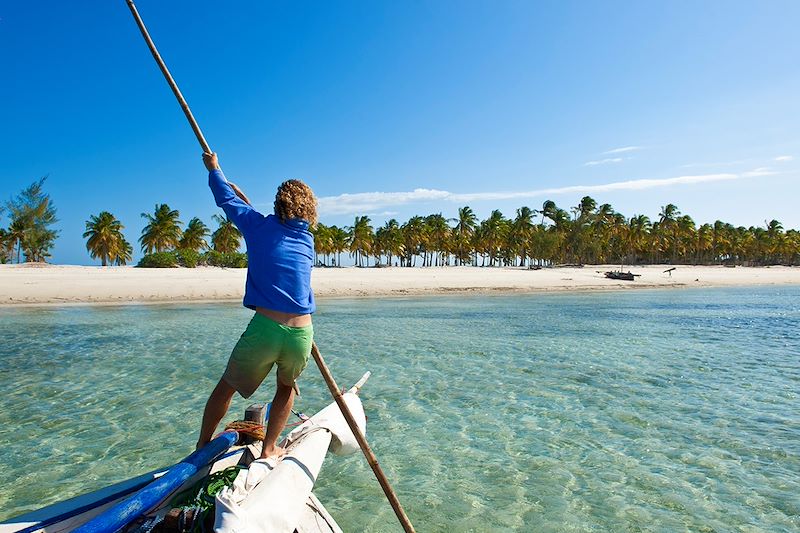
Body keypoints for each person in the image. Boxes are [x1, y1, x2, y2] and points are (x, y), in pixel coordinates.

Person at [197, 152, 317, 460]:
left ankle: (201, 449)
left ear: (278, 205)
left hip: (267, 329)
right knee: (286, 388)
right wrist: (245, 204)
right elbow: (270, 231)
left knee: (226, 387)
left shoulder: (259, 228)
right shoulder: (308, 240)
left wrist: (215, 169)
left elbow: (227, 201)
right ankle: (269, 449)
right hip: (302, 333)